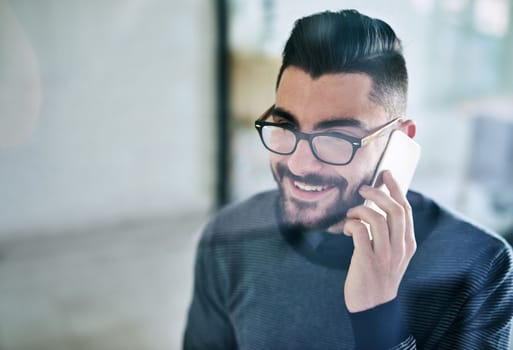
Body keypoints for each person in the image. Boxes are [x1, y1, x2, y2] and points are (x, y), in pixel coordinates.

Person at [183, 9, 513, 349]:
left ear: (398, 139)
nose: (298, 164)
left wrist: (378, 315)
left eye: (336, 138)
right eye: (285, 126)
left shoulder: (479, 264)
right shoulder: (226, 238)